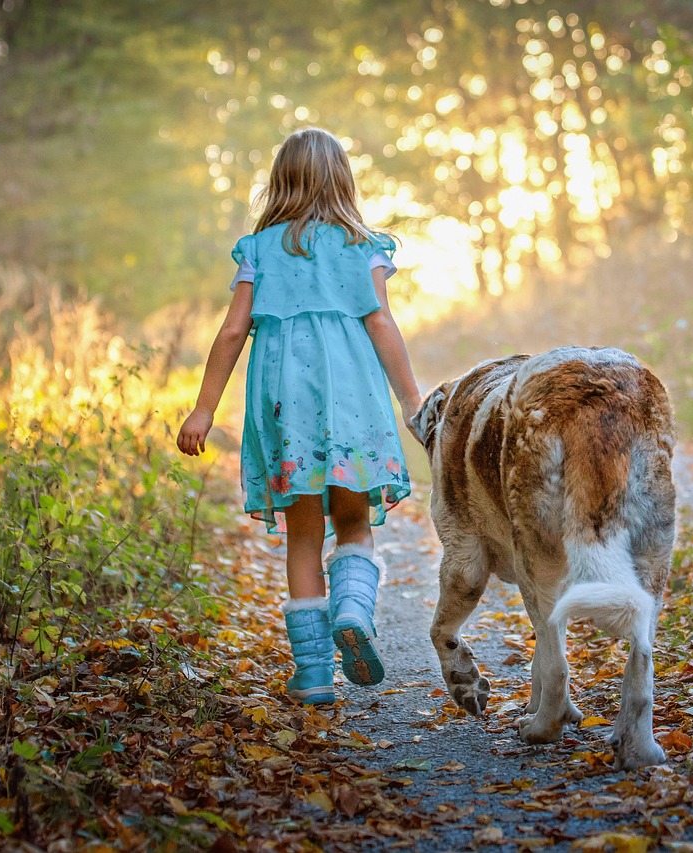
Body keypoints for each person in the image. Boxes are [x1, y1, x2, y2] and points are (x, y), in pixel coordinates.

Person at [177, 127, 423, 706]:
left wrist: (204, 409)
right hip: (353, 399)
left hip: (285, 406)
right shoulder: (362, 246)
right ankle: (354, 611)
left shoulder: (259, 250)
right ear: (343, 179)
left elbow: (234, 329)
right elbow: (381, 324)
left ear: (279, 181)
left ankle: (314, 675)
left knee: (304, 534)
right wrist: (413, 399)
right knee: (354, 521)